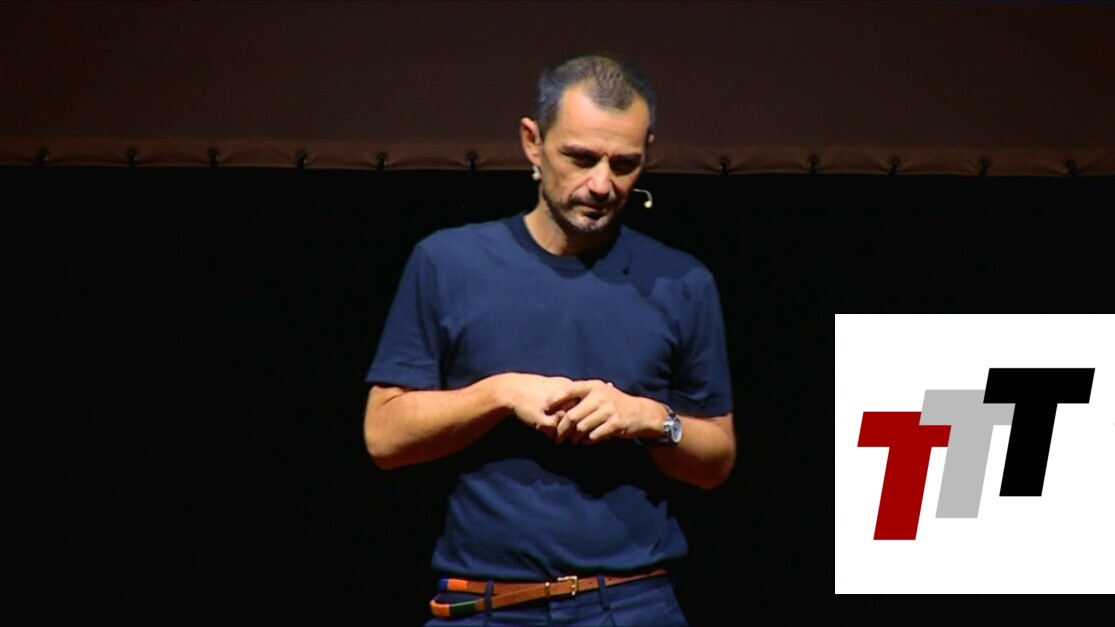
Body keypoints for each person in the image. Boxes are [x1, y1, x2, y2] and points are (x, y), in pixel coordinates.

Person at [363, 51, 736, 626]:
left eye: (625, 164)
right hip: (485, 603)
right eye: (581, 158)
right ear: (532, 142)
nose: (602, 184)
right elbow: (384, 438)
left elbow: (716, 460)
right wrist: (499, 393)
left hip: (630, 602)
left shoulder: (682, 282)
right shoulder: (448, 262)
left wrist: (650, 418)